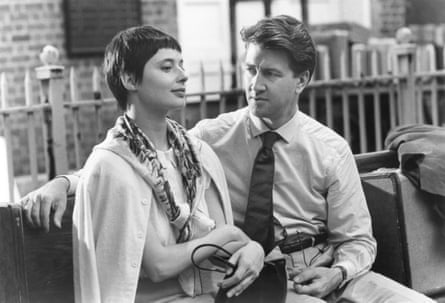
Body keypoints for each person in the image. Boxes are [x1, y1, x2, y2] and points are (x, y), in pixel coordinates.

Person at [22, 16, 435, 303]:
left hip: (322, 268)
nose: (254, 85)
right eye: (250, 70)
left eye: (270, 74)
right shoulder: (209, 138)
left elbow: (358, 240)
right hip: (248, 276)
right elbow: (128, 161)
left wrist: (338, 272)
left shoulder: (328, 148)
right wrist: (64, 182)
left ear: (302, 80)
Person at [27, 25, 264, 303]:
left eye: (181, 65)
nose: (183, 75)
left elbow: (225, 250)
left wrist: (253, 248)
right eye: (167, 67)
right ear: (130, 79)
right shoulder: (111, 165)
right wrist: (230, 234)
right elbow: (159, 265)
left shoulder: (196, 153)